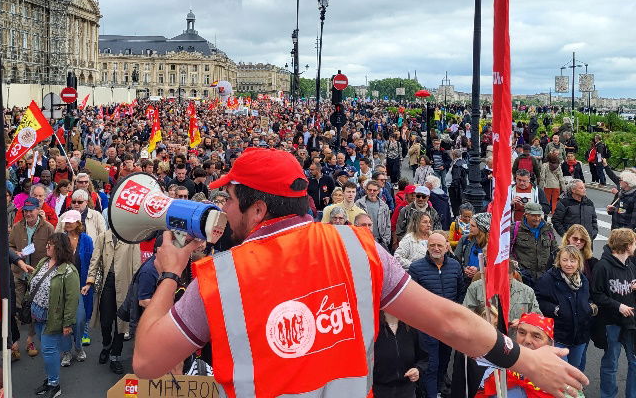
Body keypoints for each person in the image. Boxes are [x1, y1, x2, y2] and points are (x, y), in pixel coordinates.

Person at [131, 148, 587, 398]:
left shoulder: (220, 276)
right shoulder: (358, 246)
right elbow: (448, 321)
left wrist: (170, 273)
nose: (220, 209)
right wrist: (525, 360)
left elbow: (147, 362)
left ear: (257, 208)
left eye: (228, 199)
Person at [409, 233, 464, 397]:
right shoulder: (416, 268)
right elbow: (413, 298)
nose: (436, 248)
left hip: (448, 326)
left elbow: (461, 292)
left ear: (447, 247)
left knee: (445, 361)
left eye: (440, 245)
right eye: (432, 245)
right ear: (427, 246)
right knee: (431, 365)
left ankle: (439, 391)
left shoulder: (455, 266)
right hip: (427, 326)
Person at [29, 233, 80, 398]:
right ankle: (50, 379)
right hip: (36, 314)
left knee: (49, 350)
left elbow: (72, 300)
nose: (47, 247)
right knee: (46, 351)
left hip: (53, 318)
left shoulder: (69, 271)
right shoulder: (44, 262)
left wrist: (67, 324)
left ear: (59, 248)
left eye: (50, 245)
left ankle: (54, 384)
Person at [85, 227, 141, 374]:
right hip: (107, 283)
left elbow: (136, 265)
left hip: (125, 283)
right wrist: (89, 281)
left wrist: (136, 288)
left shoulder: (132, 238)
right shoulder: (103, 237)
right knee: (105, 320)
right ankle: (106, 345)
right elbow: (94, 260)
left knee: (121, 323)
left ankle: (115, 355)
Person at [591, 227, 636, 398]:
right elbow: (596, 294)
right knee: (611, 363)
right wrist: (618, 306)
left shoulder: (631, 265)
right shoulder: (603, 266)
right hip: (611, 323)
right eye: (634, 242)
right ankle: (608, 395)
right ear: (627, 245)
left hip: (631, 323)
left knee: (634, 362)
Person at [9, 196, 55, 359]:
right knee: (16, 308)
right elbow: (9, 245)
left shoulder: (48, 227)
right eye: (25, 211)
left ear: (38, 210)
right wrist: (16, 254)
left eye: (31, 210)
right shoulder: (16, 227)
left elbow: (54, 248)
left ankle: (30, 340)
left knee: (34, 309)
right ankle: (14, 344)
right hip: (19, 273)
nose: (28, 214)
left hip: (38, 274)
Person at [535, 245, 594, 371]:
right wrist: (555, 309)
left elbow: (589, 299)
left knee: (574, 369)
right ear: (558, 261)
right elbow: (539, 300)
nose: (569, 264)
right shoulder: (548, 279)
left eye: (573, 261)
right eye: (565, 260)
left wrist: (590, 309)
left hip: (579, 336)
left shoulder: (583, 280)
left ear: (578, 263)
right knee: (562, 371)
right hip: (559, 335)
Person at [475, 312, 558, 398]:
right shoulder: (496, 371)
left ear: (549, 343)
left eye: (536, 336)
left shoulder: (558, 379)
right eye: (522, 332)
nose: (527, 340)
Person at [57, 209, 94, 364]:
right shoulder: (60, 239)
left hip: (80, 285)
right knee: (63, 320)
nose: (68, 223)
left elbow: (92, 262)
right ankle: (66, 352)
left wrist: (89, 283)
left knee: (79, 319)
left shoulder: (86, 240)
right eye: (66, 221)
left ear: (78, 223)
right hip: (63, 285)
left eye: (71, 221)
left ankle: (78, 346)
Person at [372, 311, 427, 398]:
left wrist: (418, 370)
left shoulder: (411, 329)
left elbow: (424, 359)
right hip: (379, 391)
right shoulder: (372, 330)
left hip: (407, 391)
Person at [512, 202, 559, 287]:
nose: (537, 218)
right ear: (526, 215)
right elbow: (507, 251)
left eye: (539, 215)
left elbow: (555, 250)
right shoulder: (515, 229)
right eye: (533, 215)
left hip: (545, 276)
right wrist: (517, 269)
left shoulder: (548, 229)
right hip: (524, 277)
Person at [355, 180, 391, 249]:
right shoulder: (359, 204)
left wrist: (385, 241)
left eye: (374, 190)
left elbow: (388, 225)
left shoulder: (384, 206)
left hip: (379, 241)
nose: (372, 192)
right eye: (370, 190)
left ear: (378, 191)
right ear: (366, 190)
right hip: (363, 240)